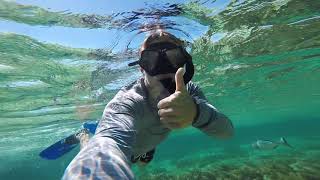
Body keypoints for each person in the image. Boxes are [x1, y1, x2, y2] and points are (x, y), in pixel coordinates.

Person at [62, 30, 234, 180]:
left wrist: (196, 112)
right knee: (93, 146)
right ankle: (83, 136)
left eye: (174, 58)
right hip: (125, 153)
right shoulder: (128, 101)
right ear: (142, 68)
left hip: (149, 146)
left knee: (144, 163)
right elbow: (107, 142)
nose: (165, 69)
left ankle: (146, 152)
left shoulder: (190, 92)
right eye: (152, 60)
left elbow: (227, 132)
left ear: (184, 63)